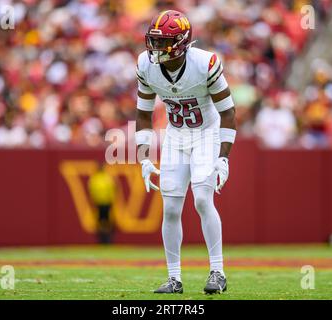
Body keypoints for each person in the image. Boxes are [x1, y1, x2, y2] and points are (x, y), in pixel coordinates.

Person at [135, 10, 236, 294]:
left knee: (203, 199)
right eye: (153, 41)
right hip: (176, 136)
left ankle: (218, 272)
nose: (154, 48)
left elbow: (228, 113)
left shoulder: (205, 63)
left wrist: (223, 156)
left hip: (207, 133)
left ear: (180, 42)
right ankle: (174, 278)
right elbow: (143, 115)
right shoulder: (145, 64)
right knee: (169, 208)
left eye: (162, 42)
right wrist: (143, 158)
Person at [87, 162, 116, 244]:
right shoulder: (96, 178)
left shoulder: (106, 177)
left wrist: (111, 199)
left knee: (107, 221)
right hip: (99, 203)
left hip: (107, 202)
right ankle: (102, 238)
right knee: (100, 221)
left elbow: (112, 189)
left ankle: (107, 238)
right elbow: (92, 190)